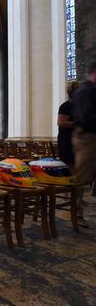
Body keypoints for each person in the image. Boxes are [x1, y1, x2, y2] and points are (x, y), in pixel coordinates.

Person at [73, 62, 96, 228]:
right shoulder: (84, 91)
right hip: (87, 137)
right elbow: (86, 118)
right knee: (81, 177)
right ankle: (77, 211)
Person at [57, 82, 79, 167]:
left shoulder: (79, 106)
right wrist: (78, 124)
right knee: (70, 164)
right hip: (67, 140)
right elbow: (61, 123)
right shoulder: (66, 106)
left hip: (76, 139)